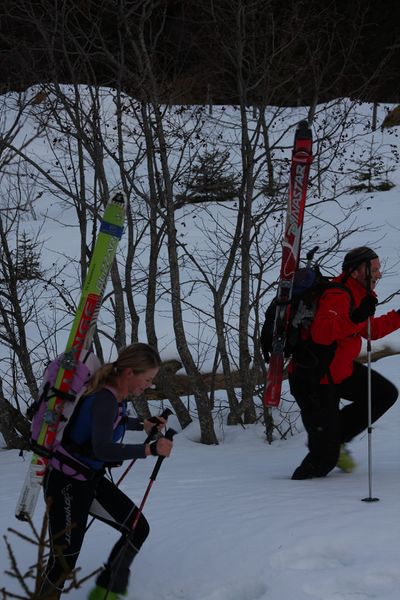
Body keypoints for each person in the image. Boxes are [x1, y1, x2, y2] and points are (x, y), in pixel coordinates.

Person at [39, 343, 173, 600]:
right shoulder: (105, 398)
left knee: (137, 528)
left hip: (88, 480)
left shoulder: (113, 395)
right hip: (66, 483)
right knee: (63, 562)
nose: (149, 385)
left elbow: (108, 422)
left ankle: (105, 593)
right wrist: (149, 449)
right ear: (130, 373)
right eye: (147, 379)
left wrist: (142, 425)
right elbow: (102, 449)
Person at [289, 246, 400, 480]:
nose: (378, 274)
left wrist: (398, 316)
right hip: (315, 380)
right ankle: (296, 493)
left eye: (378, 269)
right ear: (355, 271)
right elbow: (322, 333)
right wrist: (354, 317)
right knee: (323, 460)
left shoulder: (359, 294)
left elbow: (369, 330)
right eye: (373, 269)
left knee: (383, 394)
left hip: (340, 371)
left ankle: (333, 438)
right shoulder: (338, 296)